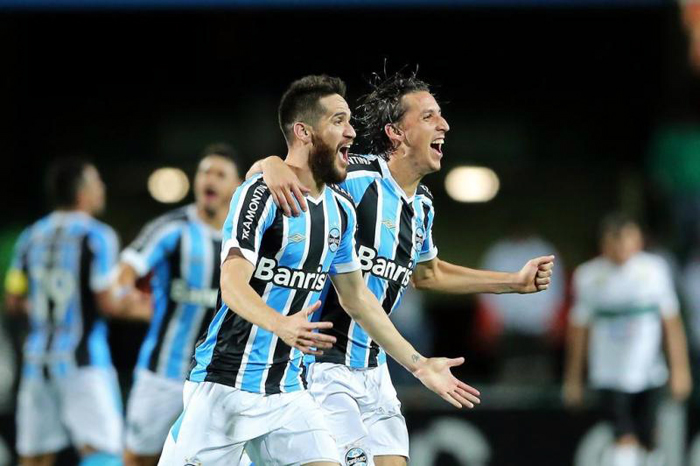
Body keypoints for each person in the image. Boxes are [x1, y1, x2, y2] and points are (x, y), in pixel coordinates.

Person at [158, 75, 480, 466]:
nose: (351, 131)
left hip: (289, 391)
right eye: (338, 121)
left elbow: (358, 299)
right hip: (225, 385)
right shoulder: (260, 195)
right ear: (304, 132)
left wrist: (419, 364)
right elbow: (231, 285)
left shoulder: (340, 211)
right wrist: (282, 324)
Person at [250, 69, 555, 466]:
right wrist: (269, 163)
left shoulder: (422, 206)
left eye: (440, 115)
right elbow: (277, 170)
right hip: (323, 370)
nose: (443, 124)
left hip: (376, 371)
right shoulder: (356, 177)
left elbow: (429, 274)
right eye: (428, 116)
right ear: (396, 133)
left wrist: (512, 282)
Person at [4, 158, 150, 466]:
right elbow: (107, 302)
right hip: (83, 363)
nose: (102, 188)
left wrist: (49, 312)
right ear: (83, 192)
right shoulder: (97, 236)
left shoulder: (30, 237)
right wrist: (149, 309)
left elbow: (13, 299)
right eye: (97, 182)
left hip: (36, 364)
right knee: (103, 452)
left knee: (34, 458)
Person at [120, 144, 241, 466]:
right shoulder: (171, 228)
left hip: (214, 380)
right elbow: (124, 274)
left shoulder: (245, 239)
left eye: (219, 174)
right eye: (204, 172)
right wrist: (130, 300)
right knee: (137, 459)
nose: (209, 179)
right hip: (162, 374)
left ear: (236, 185)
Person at [563, 213, 692, 466]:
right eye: (615, 241)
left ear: (638, 241)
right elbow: (579, 329)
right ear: (604, 243)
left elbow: (671, 323)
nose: (621, 247)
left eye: (627, 240)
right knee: (623, 437)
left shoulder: (654, 270)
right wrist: (573, 379)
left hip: (649, 371)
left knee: (650, 437)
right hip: (609, 373)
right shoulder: (588, 276)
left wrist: (680, 369)